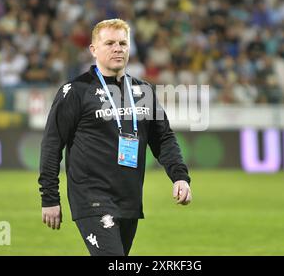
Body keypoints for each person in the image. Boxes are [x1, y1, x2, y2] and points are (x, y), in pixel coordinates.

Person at [38, 18, 192, 256]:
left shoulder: (143, 91)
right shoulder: (75, 92)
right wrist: (49, 197)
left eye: (123, 43)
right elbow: (51, 145)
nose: (117, 48)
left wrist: (180, 177)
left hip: (129, 199)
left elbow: (163, 139)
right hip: (92, 199)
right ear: (93, 50)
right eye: (109, 43)